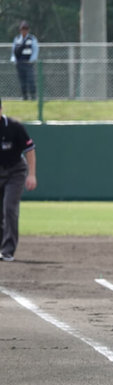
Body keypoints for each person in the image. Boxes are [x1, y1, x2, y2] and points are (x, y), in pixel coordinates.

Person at [0, 98, 37, 262]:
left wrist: (32, 174)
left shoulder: (14, 127)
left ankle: (7, 250)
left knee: (9, 208)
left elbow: (29, 149)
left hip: (15, 171)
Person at [10, 21, 38, 101]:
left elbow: (35, 50)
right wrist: (14, 60)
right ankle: (24, 97)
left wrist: (31, 61)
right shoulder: (17, 39)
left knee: (31, 80)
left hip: (28, 64)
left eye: (25, 29)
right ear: (20, 30)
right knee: (22, 81)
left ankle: (33, 97)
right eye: (22, 29)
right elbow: (13, 51)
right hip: (19, 64)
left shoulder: (32, 38)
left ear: (28, 30)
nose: (24, 31)